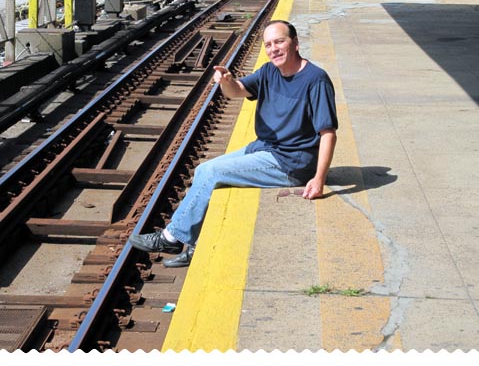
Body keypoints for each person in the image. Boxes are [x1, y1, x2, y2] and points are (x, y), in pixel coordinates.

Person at [129, 20, 338, 267]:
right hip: (265, 148)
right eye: (268, 44)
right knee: (203, 171)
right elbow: (236, 91)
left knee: (212, 172)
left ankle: (171, 237)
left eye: (279, 42)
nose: (274, 49)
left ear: (295, 43)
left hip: (292, 162)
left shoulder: (316, 80)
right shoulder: (269, 71)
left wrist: (319, 179)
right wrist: (226, 81)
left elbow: (328, 133)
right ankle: (195, 245)